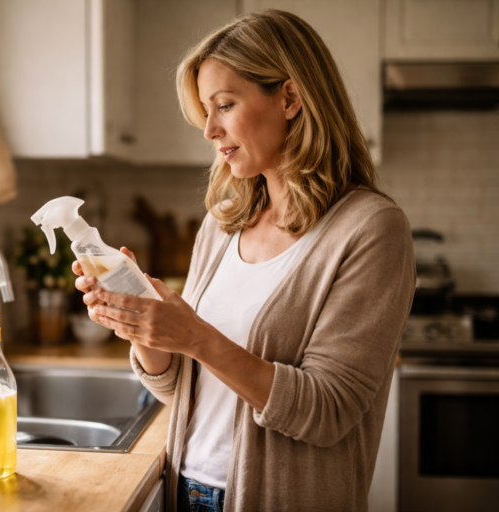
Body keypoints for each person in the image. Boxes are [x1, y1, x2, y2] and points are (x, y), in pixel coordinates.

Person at [73, 10, 415, 512]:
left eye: (225, 105)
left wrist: (193, 334)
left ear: (291, 98)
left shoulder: (369, 229)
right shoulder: (222, 224)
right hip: (186, 492)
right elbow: (179, 386)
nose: (210, 130)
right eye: (205, 113)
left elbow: (329, 410)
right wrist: (145, 323)